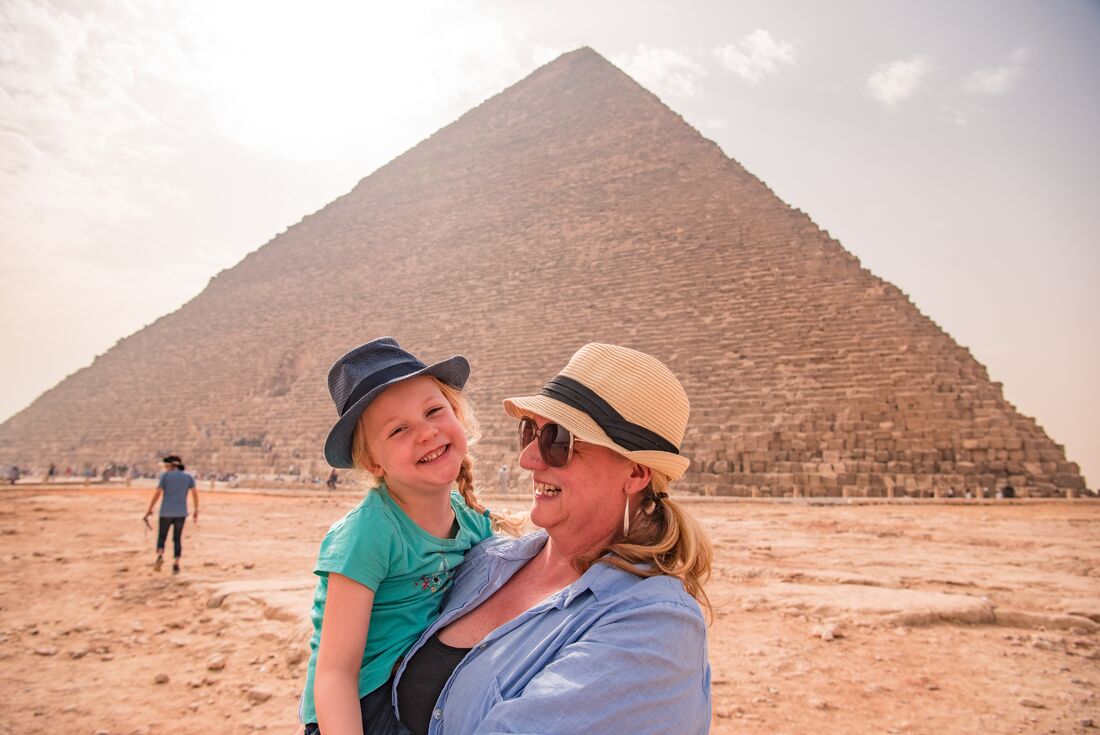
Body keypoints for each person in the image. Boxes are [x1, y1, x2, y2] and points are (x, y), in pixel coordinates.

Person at [378, 342, 713, 735]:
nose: (528, 459)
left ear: (636, 473)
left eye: (558, 440)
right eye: (530, 432)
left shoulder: (654, 629)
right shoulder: (484, 559)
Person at [300, 338, 520, 735]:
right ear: (372, 462)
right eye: (399, 429)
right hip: (361, 707)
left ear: (458, 416)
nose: (426, 432)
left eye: (434, 410)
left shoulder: (474, 524)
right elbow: (335, 672)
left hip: (422, 690)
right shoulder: (368, 534)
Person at [143, 455, 198, 574]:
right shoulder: (188, 477)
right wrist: (196, 510)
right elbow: (194, 494)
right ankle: (176, 563)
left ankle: (160, 556)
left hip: (166, 512)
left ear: (170, 466)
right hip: (181, 512)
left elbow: (158, 493)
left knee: (162, 536)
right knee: (177, 539)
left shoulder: (165, 476)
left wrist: (150, 509)